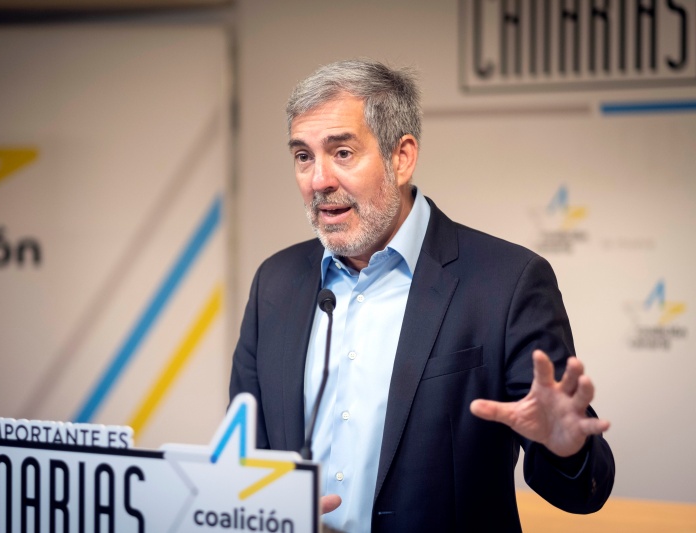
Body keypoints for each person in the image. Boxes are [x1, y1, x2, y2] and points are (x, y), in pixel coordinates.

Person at [230, 59, 614, 532]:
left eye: (342, 153)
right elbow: (245, 460)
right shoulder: (275, 283)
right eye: (303, 156)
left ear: (402, 157)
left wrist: (565, 448)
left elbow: (583, 492)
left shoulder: (507, 283)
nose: (318, 180)